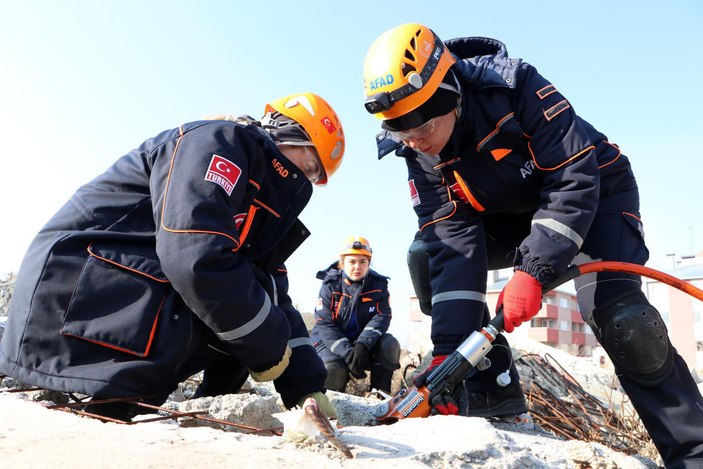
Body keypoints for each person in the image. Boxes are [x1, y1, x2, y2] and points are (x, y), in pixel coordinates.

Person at [362, 23, 703, 466]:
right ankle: (491, 390)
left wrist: (533, 269)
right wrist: (450, 348)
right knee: (425, 256)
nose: (413, 139)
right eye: (400, 130)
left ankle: (692, 452)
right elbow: (450, 234)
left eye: (421, 125)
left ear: (449, 92)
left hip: (595, 195)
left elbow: (573, 178)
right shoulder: (418, 150)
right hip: (507, 217)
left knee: (623, 320)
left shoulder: (515, 86)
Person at [0, 92, 344, 420]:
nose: (308, 178)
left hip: (112, 283)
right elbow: (194, 252)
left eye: (316, 176)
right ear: (284, 133)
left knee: (245, 296)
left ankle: (195, 406)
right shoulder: (217, 143)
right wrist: (267, 344)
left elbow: (271, 290)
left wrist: (306, 387)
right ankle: (122, 397)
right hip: (70, 284)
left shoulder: (260, 205)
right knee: (230, 297)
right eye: (311, 163)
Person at [311, 236, 400, 394]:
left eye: (362, 261)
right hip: (329, 342)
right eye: (352, 261)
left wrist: (362, 346)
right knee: (333, 370)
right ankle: (334, 406)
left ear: (369, 263)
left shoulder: (379, 285)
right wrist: (348, 352)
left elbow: (382, 316)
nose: (357, 267)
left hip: (361, 343)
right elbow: (324, 323)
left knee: (389, 345)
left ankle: (380, 395)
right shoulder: (330, 285)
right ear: (342, 263)